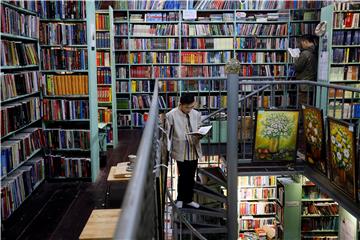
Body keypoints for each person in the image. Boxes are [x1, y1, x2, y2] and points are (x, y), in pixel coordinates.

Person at [166, 94, 202, 209]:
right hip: (181, 149)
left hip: (193, 149)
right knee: (183, 175)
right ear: (180, 105)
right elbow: (168, 134)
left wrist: (201, 134)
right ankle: (180, 198)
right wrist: (168, 150)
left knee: (191, 175)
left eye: (191, 107)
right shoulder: (171, 115)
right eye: (187, 107)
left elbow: (199, 127)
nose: (189, 110)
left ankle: (189, 199)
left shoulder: (196, 114)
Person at [293, 34, 318, 105]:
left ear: (305, 42)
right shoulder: (315, 51)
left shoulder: (305, 54)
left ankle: (302, 116)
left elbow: (297, 67)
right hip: (311, 84)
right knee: (309, 106)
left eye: (302, 43)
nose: (301, 45)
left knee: (303, 105)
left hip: (304, 85)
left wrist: (296, 59)